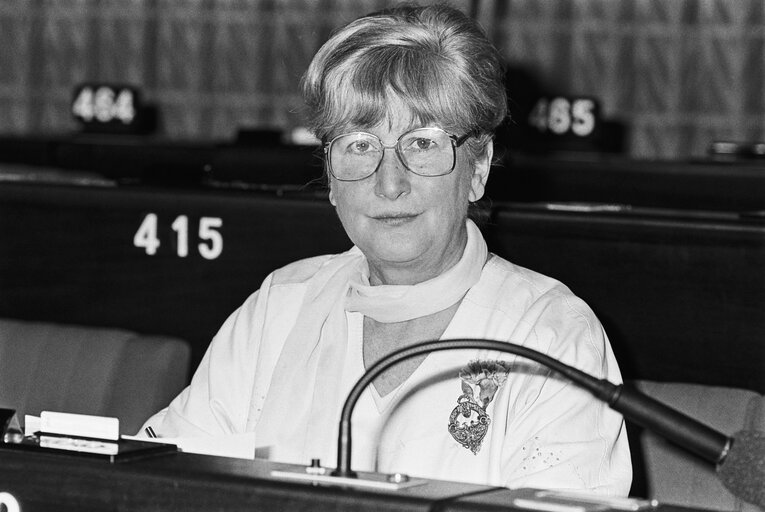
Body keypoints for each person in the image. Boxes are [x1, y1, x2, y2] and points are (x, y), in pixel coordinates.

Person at [140, 3, 632, 495]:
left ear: (478, 167)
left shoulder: (552, 335)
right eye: (358, 145)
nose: (389, 184)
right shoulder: (280, 307)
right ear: (331, 177)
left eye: (422, 143)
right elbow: (159, 483)